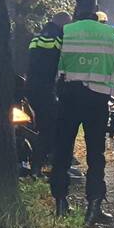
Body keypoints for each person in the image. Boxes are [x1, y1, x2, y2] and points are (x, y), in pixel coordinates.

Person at [50, 0, 114, 224]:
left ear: (77, 7)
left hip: (70, 96)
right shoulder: (110, 33)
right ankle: (94, 206)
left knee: (63, 150)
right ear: (96, 8)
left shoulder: (66, 31)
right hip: (97, 99)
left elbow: (58, 64)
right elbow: (113, 64)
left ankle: (60, 202)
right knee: (95, 154)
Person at [25, 11, 72, 176]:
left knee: (36, 126)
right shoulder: (59, 39)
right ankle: (39, 164)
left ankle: (37, 161)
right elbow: (61, 64)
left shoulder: (37, 37)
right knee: (49, 126)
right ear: (63, 24)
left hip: (31, 86)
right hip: (47, 88)